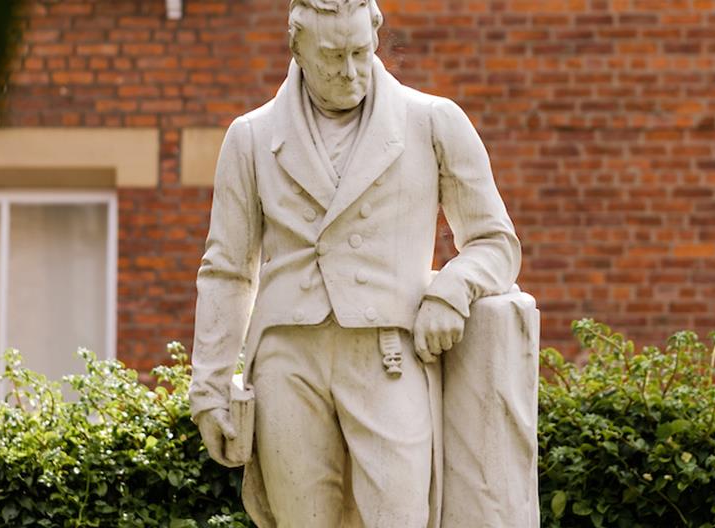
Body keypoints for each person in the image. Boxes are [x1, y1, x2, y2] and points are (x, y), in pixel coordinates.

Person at [188, 0, 521, 526]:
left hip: (386, 355)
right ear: (297, 49)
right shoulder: (251, 137)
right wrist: (208, 389)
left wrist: (452, 289)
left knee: (400, 517)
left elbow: (495, 241)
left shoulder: (431, 122)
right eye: (331, 56)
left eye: (360, 52)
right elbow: (227, 270)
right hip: (287, 359)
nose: (349, 71)